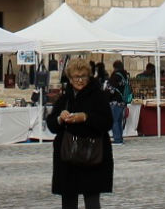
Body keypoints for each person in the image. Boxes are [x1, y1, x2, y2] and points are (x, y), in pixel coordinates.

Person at [46, 58, 114, 209]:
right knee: (68, 201)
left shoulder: (98, 96)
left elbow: (107, 122)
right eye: (76, 77)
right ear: (70, 79)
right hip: (67, 157)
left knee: (92, 201)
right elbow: (51, 125)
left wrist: (85, 117)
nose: (80, 80)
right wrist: (60, 118)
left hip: (92, 154)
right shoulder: (65, 98)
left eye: (83, 76)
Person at [105, 60, 130, 145]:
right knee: (118, 120)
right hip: (122, 102)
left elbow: (110, 89)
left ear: (114, 67)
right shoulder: (125, 76)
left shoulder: (115, 76)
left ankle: (117, 139)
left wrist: (106, 97)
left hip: (115, 102)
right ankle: (119, 138)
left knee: (114, 121)